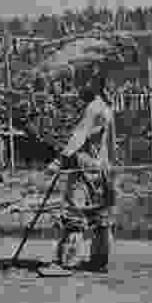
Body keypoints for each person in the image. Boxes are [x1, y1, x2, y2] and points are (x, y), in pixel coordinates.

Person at [45, 62, 116, 273]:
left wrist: (60, 161)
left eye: (81, 84)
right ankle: (99, 260)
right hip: (102, 169)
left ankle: (67, 261)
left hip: (84, 167)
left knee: (74, 213)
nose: (77, 90)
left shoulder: (93, 109)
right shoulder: (106, 108)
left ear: (92, 84)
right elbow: (111, 144)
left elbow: (78, 137)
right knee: (100, 217)